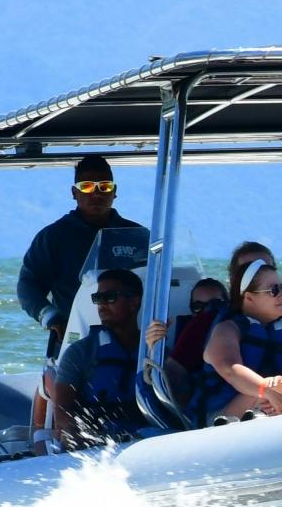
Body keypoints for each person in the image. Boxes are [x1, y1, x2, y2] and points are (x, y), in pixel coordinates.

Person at [16, 156, 143, 356]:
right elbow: (28, 287)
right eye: (86, 186)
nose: (96, 194)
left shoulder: (138, 235)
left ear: (115, 192)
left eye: (105, 187)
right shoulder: (53, 237)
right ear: (74, 193)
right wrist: (52, 318)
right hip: (75, 339)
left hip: (134, 339)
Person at [49, 267, 146, 449]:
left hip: (143, 438)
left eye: (109, 297)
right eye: (97, 299)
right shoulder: (80, 353)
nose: (101, 305)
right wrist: (89, 438)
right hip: (95, 442)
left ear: (134, 302)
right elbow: (62, 413)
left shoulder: (152, 350)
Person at [197, 257, 282, 422]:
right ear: (249, 297)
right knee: (265, 388)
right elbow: (231, 370)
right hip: (223, 414)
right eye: (274, 290)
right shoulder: (226, 331)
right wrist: (268, 389)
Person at [143, 275, 227, 421]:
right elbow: (163, 387)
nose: (206, 312)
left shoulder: (239, 332)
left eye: (215, 305)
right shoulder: (178, 348)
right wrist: (154, 347)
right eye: (198, 307)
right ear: (192, 311)